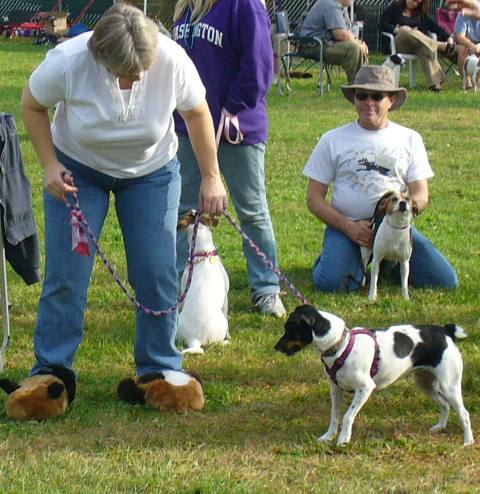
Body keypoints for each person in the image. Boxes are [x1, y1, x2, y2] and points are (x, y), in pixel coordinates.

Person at [20, 4, 227, 412]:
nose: (137, 77)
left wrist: (211, 176)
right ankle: (52, 371)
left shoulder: (172, 60)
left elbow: (198, 112)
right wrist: (49, 165)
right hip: (78, 173)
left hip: (152, 173)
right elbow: (32, 104)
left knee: (156, 271)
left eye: (142, 68)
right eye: (127, 71)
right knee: (68, 274)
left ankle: (159, 367)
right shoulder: (67, 61)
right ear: (101, 56)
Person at [172, 0, 286, 317]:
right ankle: (183, 286)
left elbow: (260, 66)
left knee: (251, 210)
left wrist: (231, 106)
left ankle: (266, 289)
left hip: (236, 125)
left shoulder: (243, 5)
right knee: (183, 209)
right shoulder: (186, 7)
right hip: (188, 127)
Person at [303, 65, 458, 293]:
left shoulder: (410, 139)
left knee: (445, 281)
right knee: (330, 283)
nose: (369, 102)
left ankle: (389, 262)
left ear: (391, 100)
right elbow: (313, 199)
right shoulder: (332, 139)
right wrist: (348, 227)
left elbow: (421, 193)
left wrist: (403, 212)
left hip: (395, 226)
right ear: (354, 98)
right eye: (362, 95)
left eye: (377, 96)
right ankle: (337, 257)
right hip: (347, 226)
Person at [379, 0, 455, 91]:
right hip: (399, 43)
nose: (415, 3)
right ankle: (439, 45)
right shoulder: (395, 8)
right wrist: (396, 30)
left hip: (417, 45)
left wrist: (449, 38)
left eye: (418, 3)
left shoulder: (421, 14)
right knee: (406, 31)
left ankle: (436, 85)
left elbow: (436, 28)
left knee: (426, 51)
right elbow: (381, 24)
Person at [299, 0, 369, 84]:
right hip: (313, 46)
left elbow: (346, 31)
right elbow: (341, 35)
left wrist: (359, 43)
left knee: (358, 47)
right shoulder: (330, 5)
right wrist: (357, 44)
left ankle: (364, 84)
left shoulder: (335, 5)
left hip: (321, 44)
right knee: (353, 49)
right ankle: (357, 87)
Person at [454, 12, 480, 87]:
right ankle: (468, 84)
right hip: (465, 44)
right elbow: (459, 37)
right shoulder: (463, 15)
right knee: (462, 49)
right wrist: (472, 46)